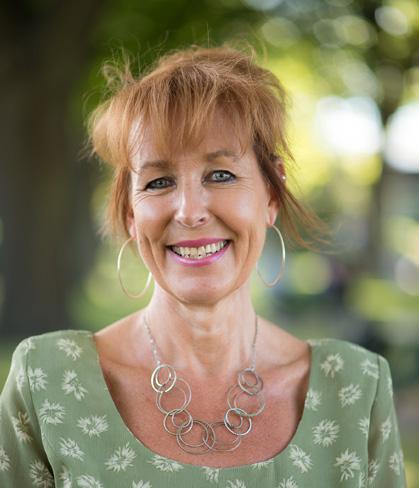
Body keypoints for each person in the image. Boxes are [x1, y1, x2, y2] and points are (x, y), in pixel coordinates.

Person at [0, 44, 406, 487]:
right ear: (131, 214)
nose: (190, 211)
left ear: (271, 196)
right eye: (159, 182)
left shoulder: (357, 390)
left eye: (221, 175)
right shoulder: (47, 381)